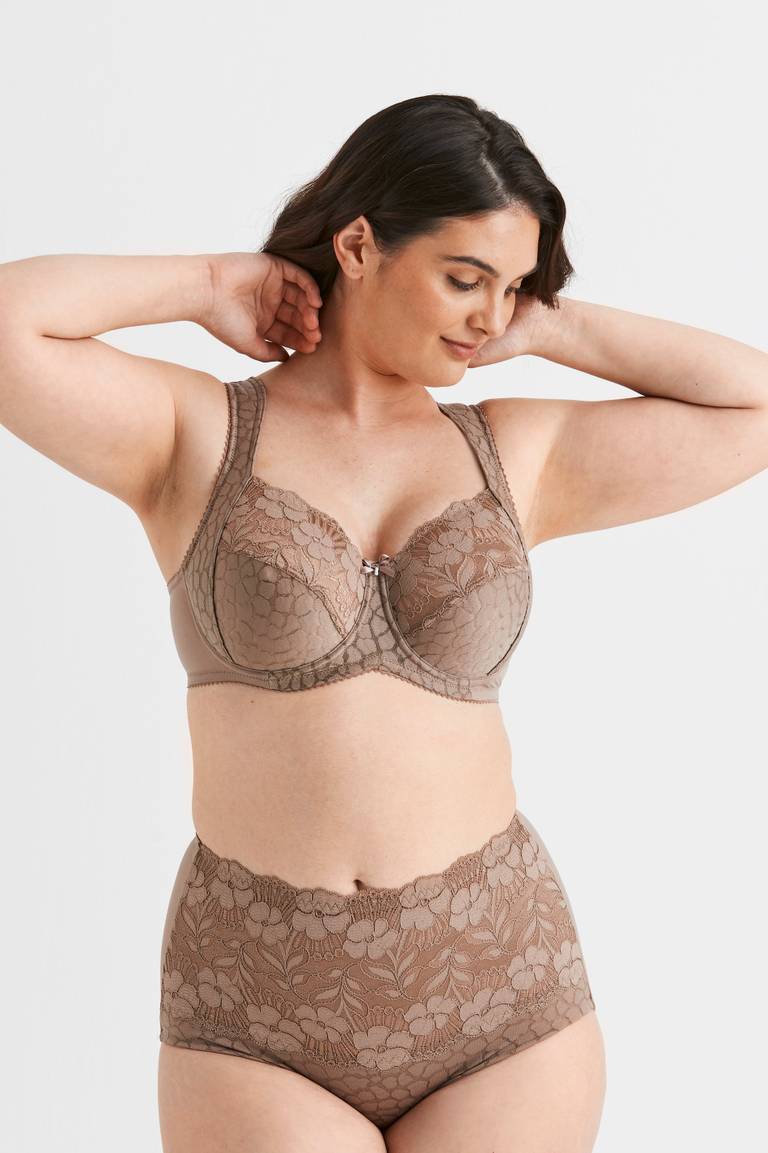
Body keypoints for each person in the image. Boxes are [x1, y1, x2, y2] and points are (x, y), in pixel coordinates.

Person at [2, 94, 766, 1153]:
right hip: (256, 1009)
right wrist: (210, 284)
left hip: (502, 996)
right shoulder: (194, 434)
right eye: (465, 278)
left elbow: (755, 406)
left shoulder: (516, 452)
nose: (489, 316)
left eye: (512, 287)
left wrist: (553, 325)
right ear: (359, 245)